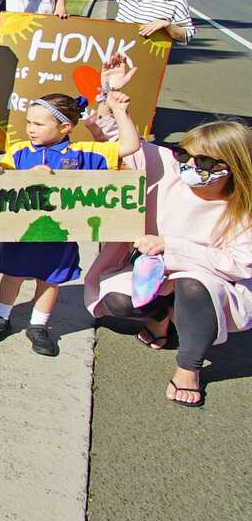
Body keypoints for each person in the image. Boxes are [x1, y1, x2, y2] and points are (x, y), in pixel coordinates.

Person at [85, 121, 252, 407]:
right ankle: (160, 317)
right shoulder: (170, 168)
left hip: (214, 281)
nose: (188, 163)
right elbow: (127, 146)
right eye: (182, 153)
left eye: (203, 160)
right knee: (117, 300)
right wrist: (111, 107)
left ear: (233, 166)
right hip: (154, 272)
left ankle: (189, 366)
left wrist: (171, 245)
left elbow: (240, 264)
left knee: (194, 285)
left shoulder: (242, 210)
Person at [0, 89, 140, 356]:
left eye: (39, 124)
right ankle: (0, 317)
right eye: (29, 122)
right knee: (13, 274)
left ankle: (38, 325)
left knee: (49, 279)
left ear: (65, 127)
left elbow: (130, 147)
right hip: (23, 233)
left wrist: (120, 111)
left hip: (60, 235)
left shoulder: (85, 153)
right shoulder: (18, 151)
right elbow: (1, 177)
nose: (30, 129)